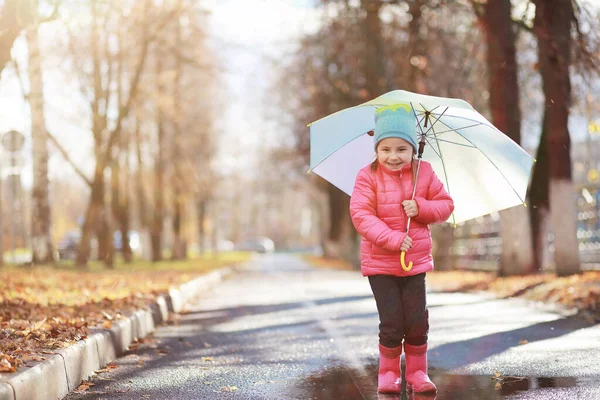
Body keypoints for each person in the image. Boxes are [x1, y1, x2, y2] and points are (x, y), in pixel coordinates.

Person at [349, 104, 454, 394]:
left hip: (415, 262)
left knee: (417, 320)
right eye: (385, 149)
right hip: (381, 263)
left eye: (401, 149)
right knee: (393, 321)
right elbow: (361, 215)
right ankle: (389, 373)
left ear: (412, 149)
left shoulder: (425, 173)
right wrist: (393, 238)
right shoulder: (366, 176)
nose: (393, 156)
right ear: (376, 149)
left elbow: (446, 205)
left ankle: (418, 373)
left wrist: (420, 207)